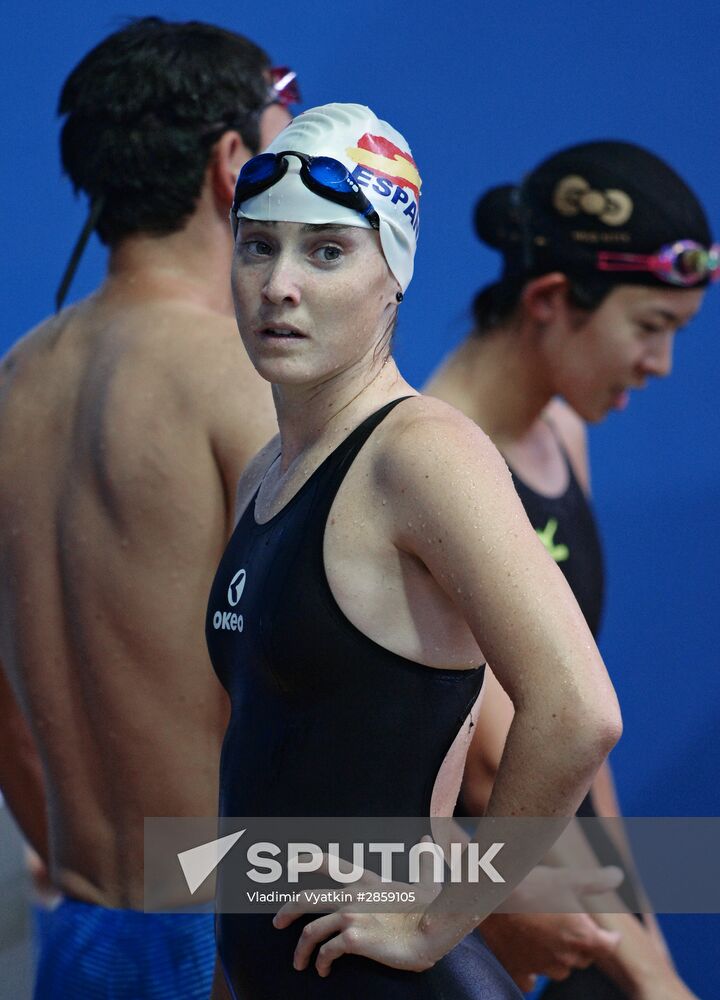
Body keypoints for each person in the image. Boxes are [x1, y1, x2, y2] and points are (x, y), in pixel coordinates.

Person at [206, 102, 623, 1000]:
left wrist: (439, 921)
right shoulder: (266, 472)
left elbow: (579, 710)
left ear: (393, 272)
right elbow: (264, 756)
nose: (281, 284)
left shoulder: (421, 453)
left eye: (326, 251)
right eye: (257, 246)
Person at [0, 17, 296, 998]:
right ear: (230, 163)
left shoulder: (15, 383)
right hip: (226, 936)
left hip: (81, 932)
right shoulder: (240, 379)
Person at [425, 140, 716, 999]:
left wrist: (642, 928)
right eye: (651, 328)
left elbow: (584, 728)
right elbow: (490, 765)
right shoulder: (432, 468)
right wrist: (644, 967)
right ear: (551, 299)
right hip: (498, 921)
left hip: (585, 905)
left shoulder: (564, 437)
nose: (661, 364)